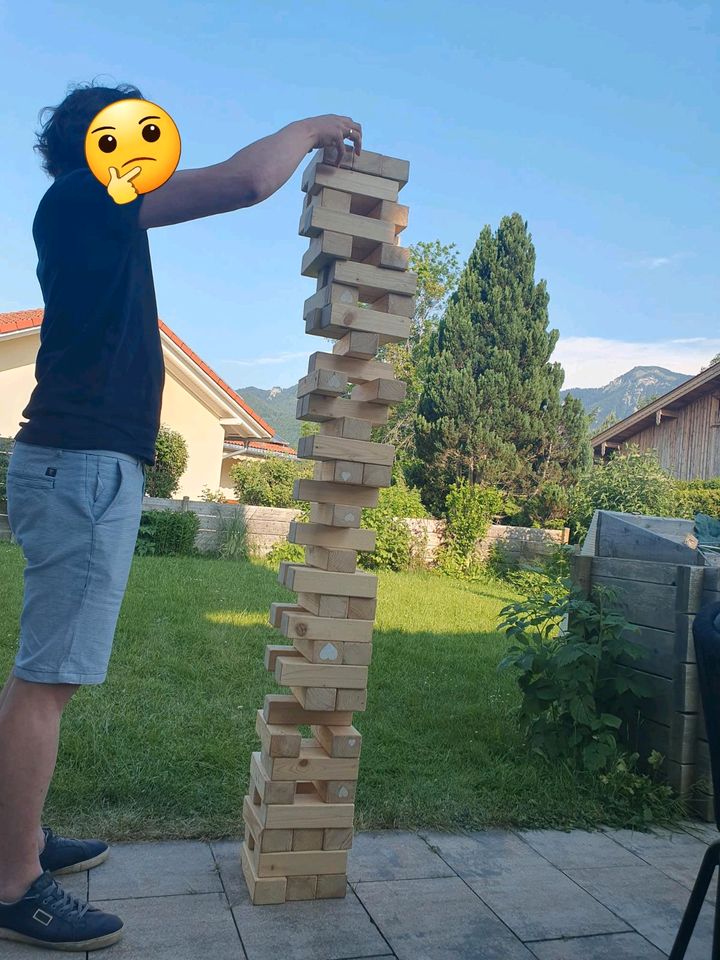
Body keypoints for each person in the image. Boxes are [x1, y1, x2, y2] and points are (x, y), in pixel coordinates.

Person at [0, 80, 362, 952]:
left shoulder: (89, 208)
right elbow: (243, 182)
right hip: (82, 466)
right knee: (49, 682)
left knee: (42, 675)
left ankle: (16, 836)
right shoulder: (92, 193)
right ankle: (13, 883)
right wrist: (313, 124)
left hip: (78, 463)